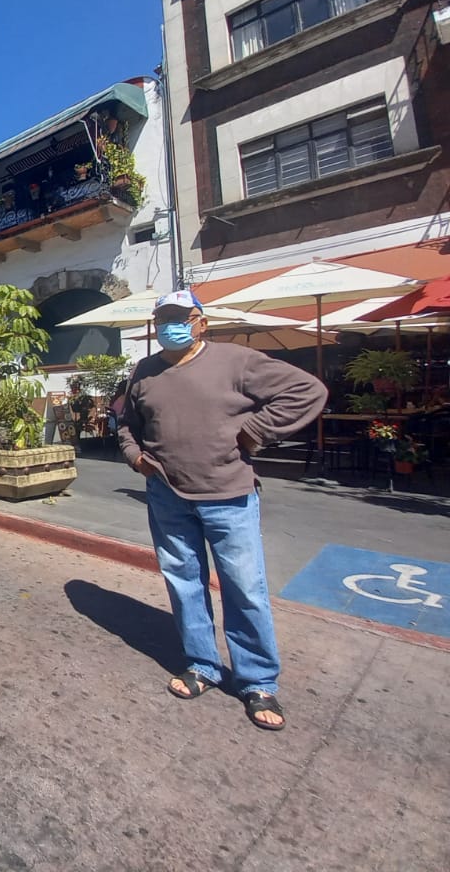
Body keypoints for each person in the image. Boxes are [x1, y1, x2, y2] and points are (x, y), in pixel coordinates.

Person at [118, 290, 327, 732]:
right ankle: (202, 664)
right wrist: (136, 458)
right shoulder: (144, 371)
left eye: (179, 318)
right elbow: (126, 424)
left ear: (200, 322)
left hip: (228, 496)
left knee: (244, 588)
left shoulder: (237, 361)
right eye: (162, 320)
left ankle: (257, 680)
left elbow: (307, 391)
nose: (169, 327)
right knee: (184, 584)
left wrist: (255, 432)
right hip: (167, 496)